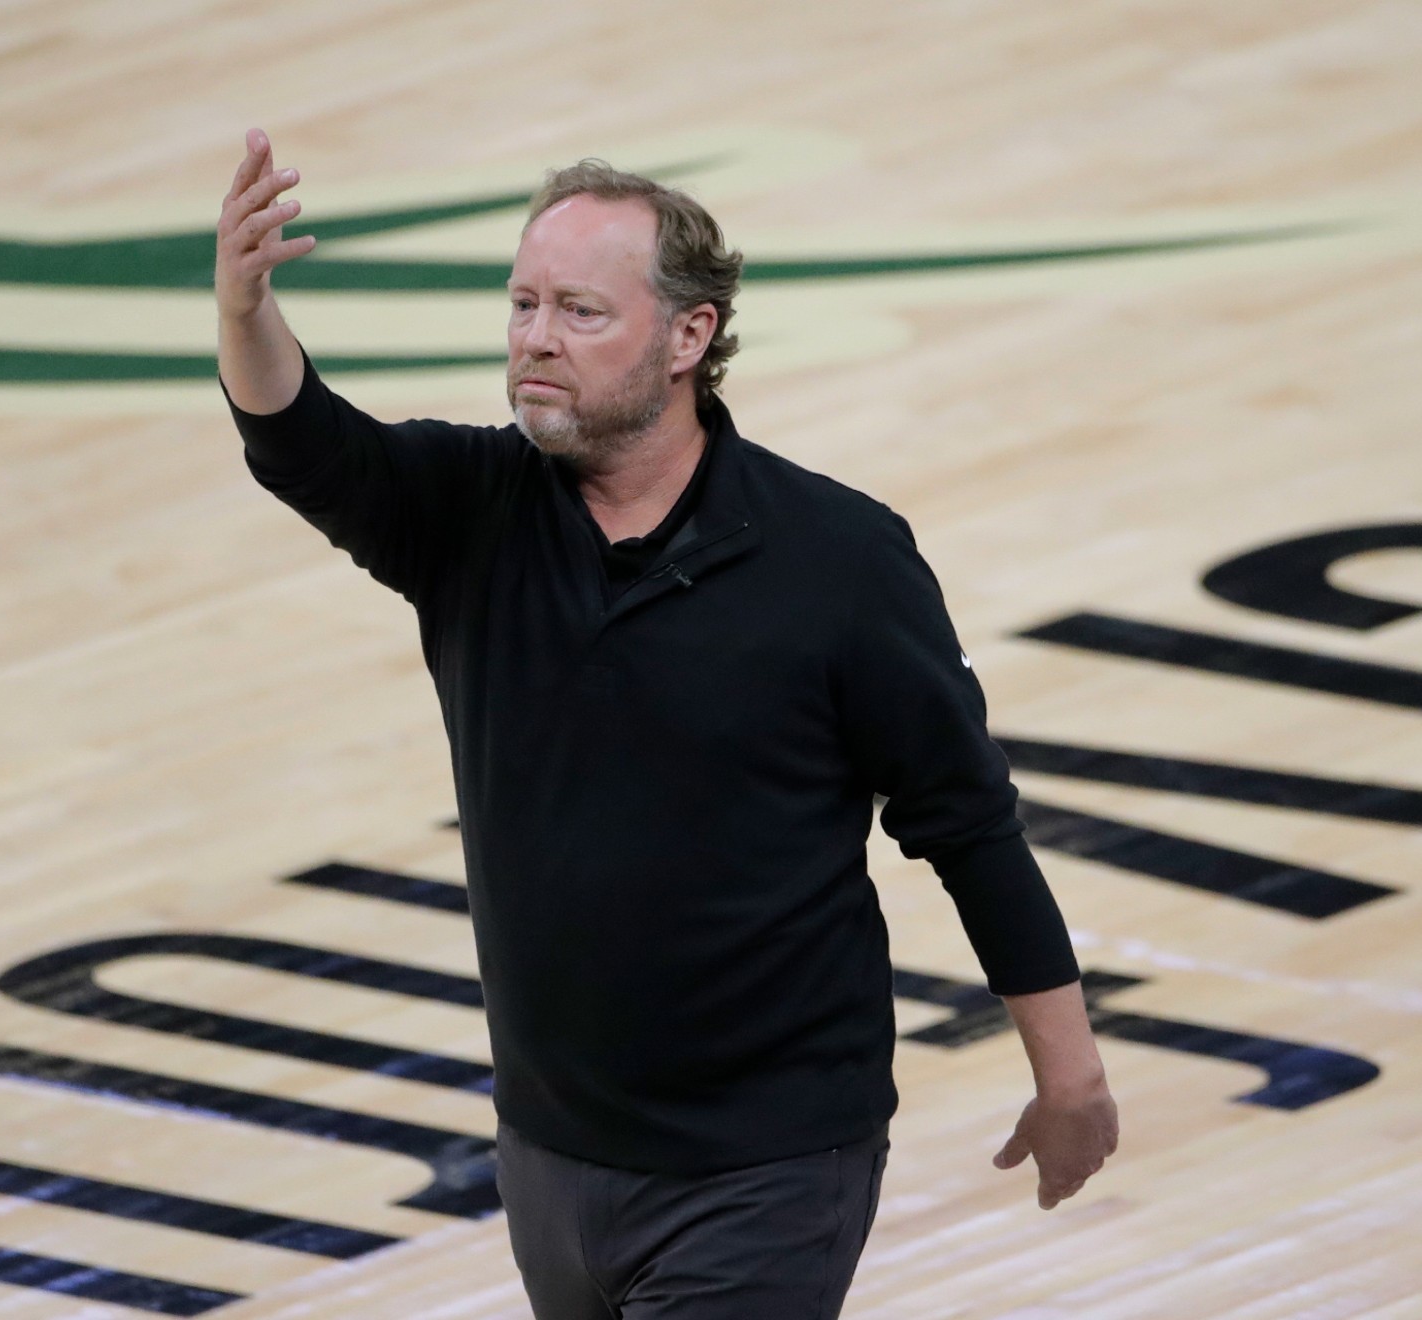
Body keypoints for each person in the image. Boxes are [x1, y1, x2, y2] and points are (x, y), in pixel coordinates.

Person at [215, 126, 1118, 1320]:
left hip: (768, 1165)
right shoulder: (470, 515)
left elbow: (967, 825)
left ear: (689, 336)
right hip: (549, 1151)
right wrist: (245, 307)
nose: (536, 337)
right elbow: (302, 441)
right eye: (524, 303)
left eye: (581, 312)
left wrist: (1070, 1072)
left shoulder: (837, 562)